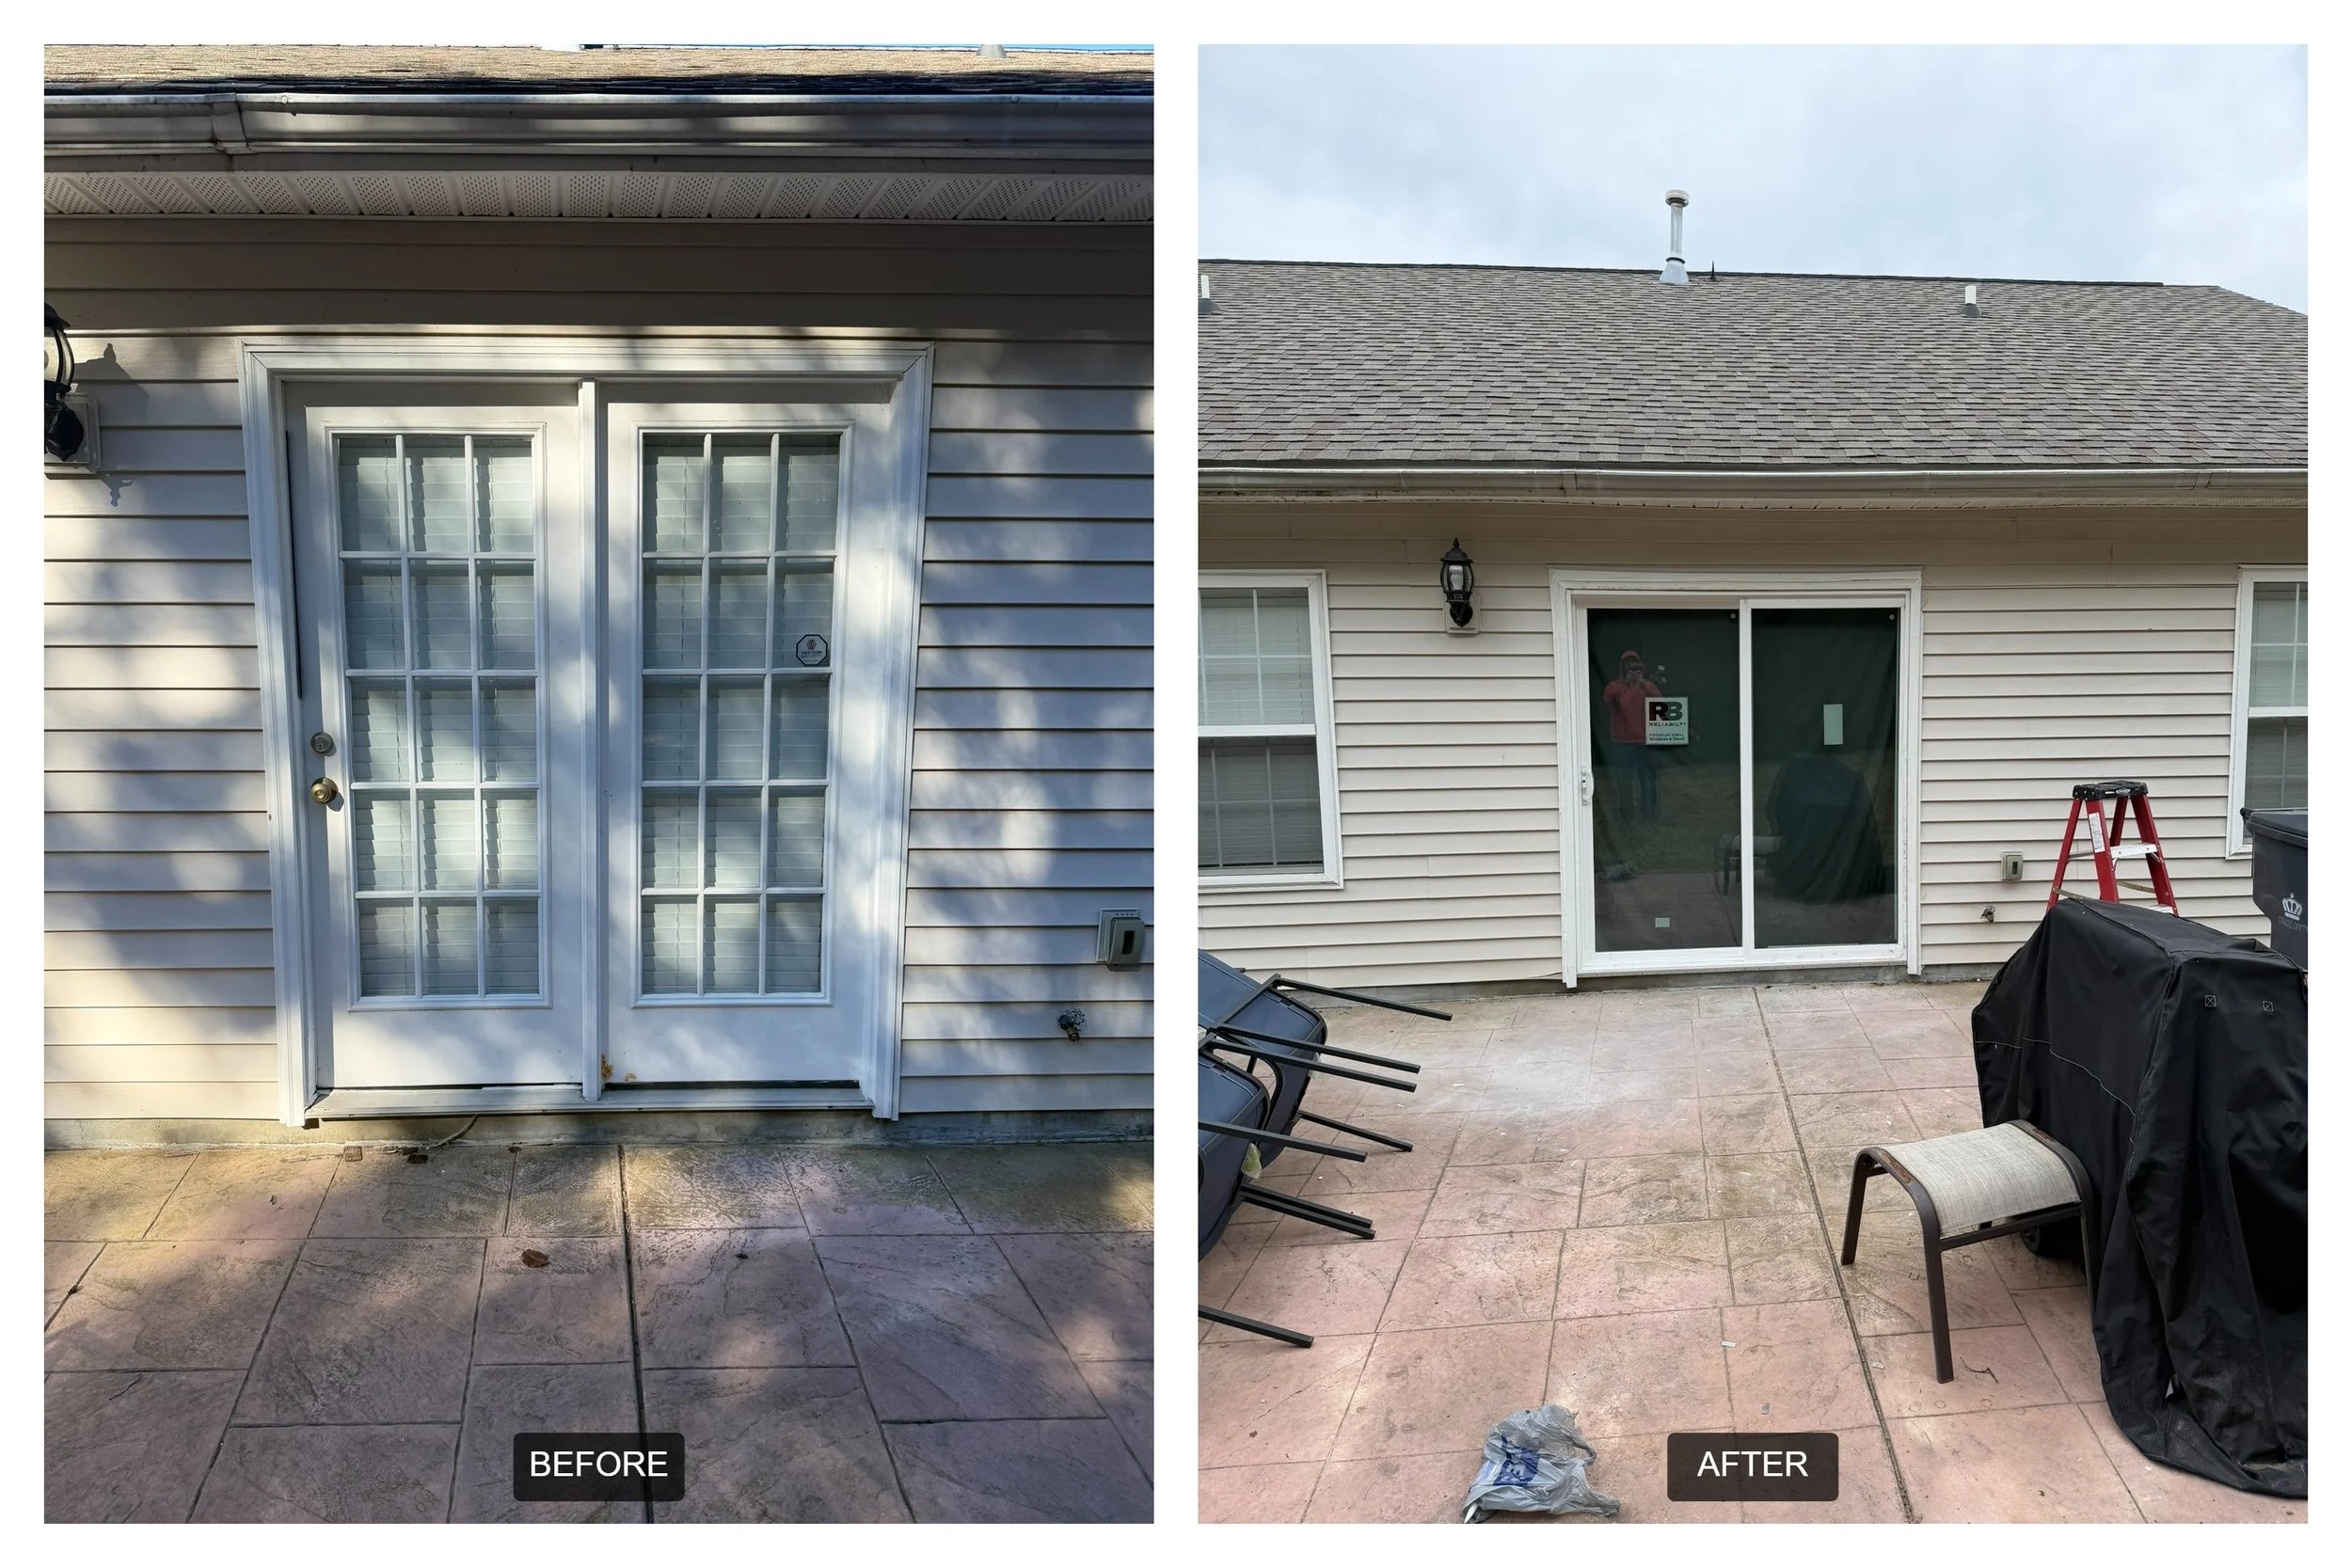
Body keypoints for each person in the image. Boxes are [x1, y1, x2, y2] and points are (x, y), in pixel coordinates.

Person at [1601, 650, 1663, 820]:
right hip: (1622, 742)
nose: (1632, 671)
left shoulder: (1646, 686)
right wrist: (1625, 685)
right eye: (1628, 668)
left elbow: (1660, 702)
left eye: (1636, 667)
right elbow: (1609, 699)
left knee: (1648, 780)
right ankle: (1627, 816)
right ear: (1622, 669)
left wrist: (1643, 683)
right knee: (1624, 781)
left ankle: (1649, 814)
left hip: (1645, 740)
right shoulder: (1615, 686)